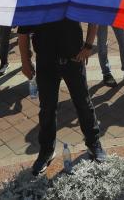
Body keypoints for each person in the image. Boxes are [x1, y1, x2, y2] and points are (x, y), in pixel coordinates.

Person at [18, 14, 106, 176]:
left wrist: (88, 46)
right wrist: (25, 61)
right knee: (47, 108)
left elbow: (93, 14)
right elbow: (23, 32)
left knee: (83, 103)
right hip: (46, 61)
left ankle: (94, 143)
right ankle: (46, 151)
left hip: (73, 58)